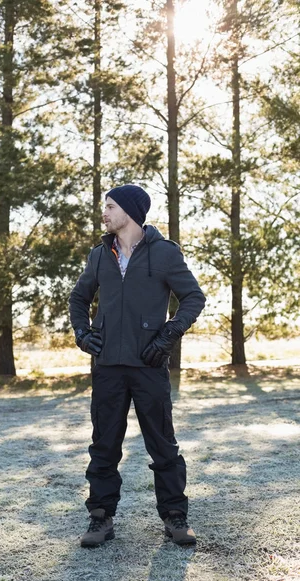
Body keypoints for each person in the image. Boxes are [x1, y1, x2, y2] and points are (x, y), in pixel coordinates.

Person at [69, 184, 206, 547]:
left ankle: (175, 517)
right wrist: (83, 333)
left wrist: (167, 336)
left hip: (149, 365)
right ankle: (100, 519)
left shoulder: (164, 254)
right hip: (109, 366)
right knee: (104, 447)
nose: (105, 213)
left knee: (163, 445)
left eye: (110, 206)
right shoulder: (100, 255)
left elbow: (193, 297)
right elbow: (78, 298)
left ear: (129, 211)